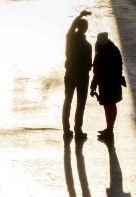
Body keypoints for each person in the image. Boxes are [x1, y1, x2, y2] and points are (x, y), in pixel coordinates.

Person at [62, 10, 92, 141]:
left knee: (67, 101)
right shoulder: (87, 46)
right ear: (85, 29)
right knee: (81, 103)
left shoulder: (70, 39)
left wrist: (79, 16)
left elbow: (71, 28)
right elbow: (89, 65)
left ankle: (66, 129)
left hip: (69, 75)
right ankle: (78, 129)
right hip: (82, 77)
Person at [90, 32, 125, 140]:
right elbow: (119, 66)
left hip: (106, 84)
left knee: (108, 106)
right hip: (113, 83)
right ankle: (109, 128)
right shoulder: (114, 49)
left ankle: (109, 129)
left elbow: (97, 71)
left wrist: (93, 86)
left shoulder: (102, 52)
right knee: (111, 106)